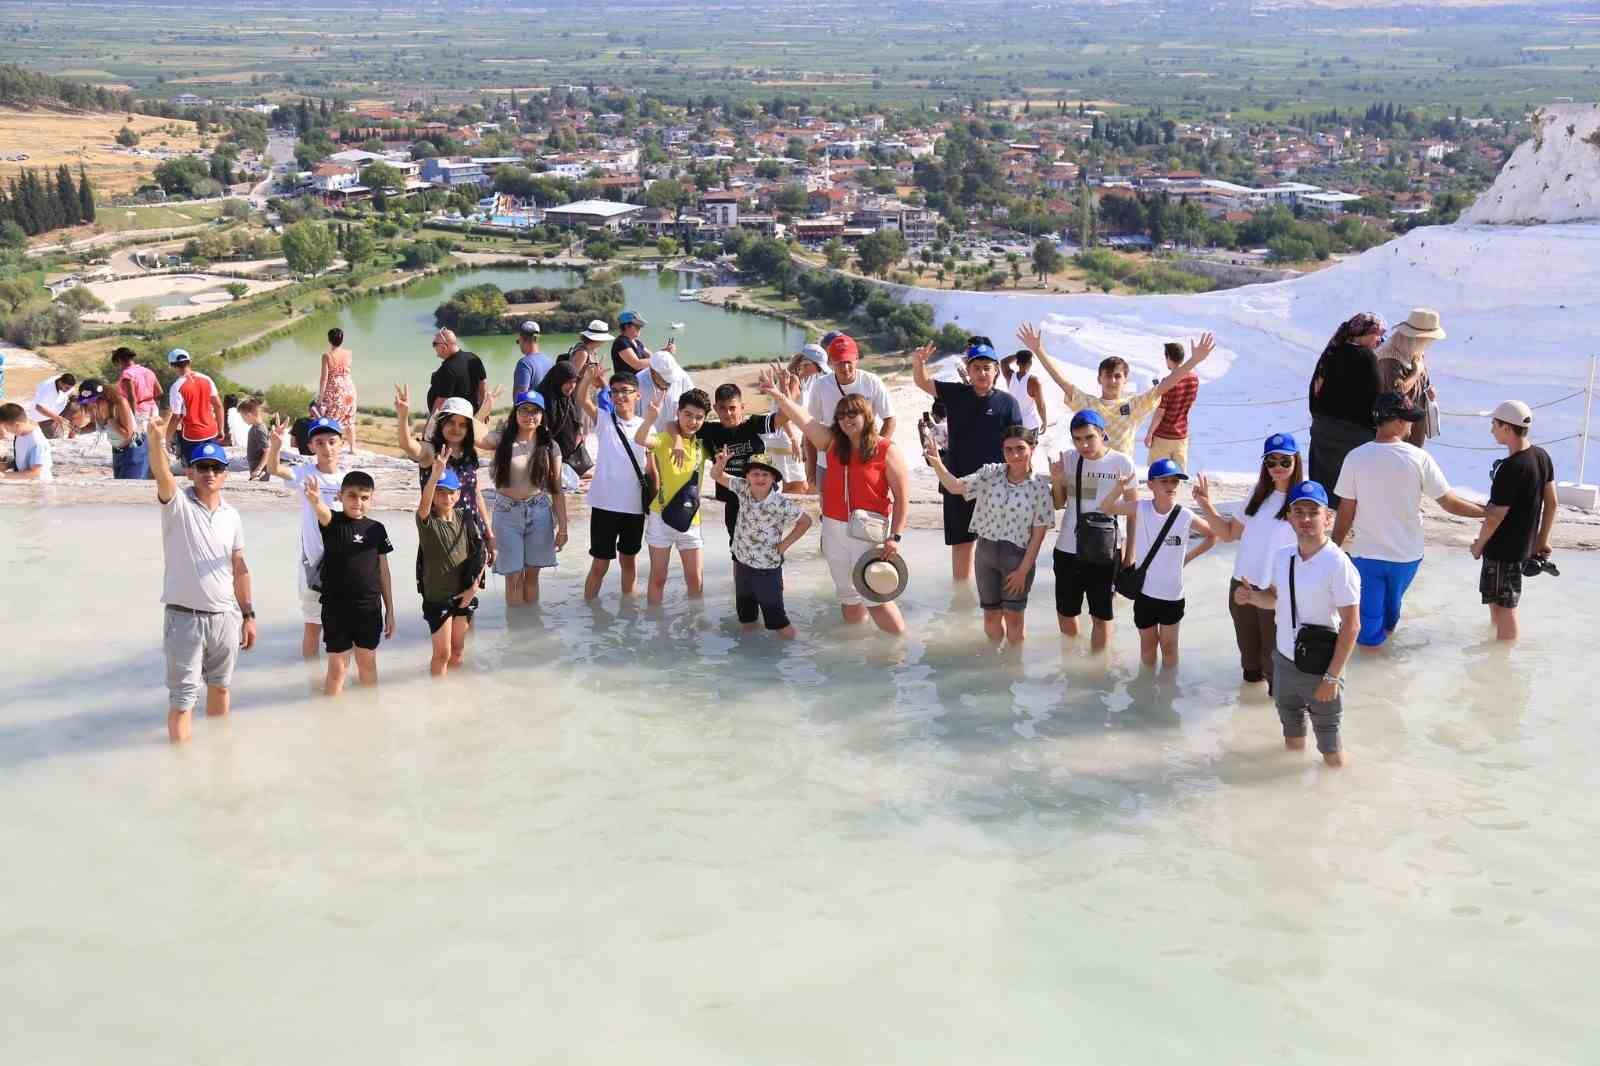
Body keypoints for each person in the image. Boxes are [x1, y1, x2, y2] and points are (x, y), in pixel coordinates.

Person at [1332, 392, 1485, 650]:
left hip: (1366, 556)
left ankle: (1371, 672)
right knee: (1391, 617)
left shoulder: (1355, 457)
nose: (1412, 425)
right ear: (1398, 422)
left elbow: (1346, 510)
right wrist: (1487, 511)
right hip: (1407, 557)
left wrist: (1334, 546)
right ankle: (1384, 671)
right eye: (1409, 419)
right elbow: (1449, 503)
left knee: (1369, 625)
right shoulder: (1419, 458)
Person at [763, 379, 909, 636]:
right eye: (841, 415)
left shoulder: (886, 449)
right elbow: (805, 421)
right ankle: (855, 651)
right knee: (848, 597)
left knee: (876, 597)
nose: (846, 419)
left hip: (869, 530)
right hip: (833, 528)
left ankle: (898, 651)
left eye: (853, 413)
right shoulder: (832, 443)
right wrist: (781, 397)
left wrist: (895, 536)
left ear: (867, 415)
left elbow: (902, 497)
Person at [145, 413, 256, 743]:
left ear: (225, 474)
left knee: (221, 689)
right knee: (182, 701)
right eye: (202, 467)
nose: (209, 473)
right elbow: (162, 473)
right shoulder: (176, 505)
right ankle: (183, 772)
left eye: (216, 468)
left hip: (225, 618)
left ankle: (218, 761)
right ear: (190, 471)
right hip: (184, 619)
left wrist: (248, 615)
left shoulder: (232, 515)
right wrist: (155, 440)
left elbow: (239, 566)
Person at [1233, 481, 1360, 768]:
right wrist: (1251, 597)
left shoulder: (1339, 564)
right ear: (1289, 517)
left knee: (1331, 752)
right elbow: (1275, 599)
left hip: (1320, 669)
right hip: (1284, 662)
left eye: (1312, 512)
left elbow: (1352, 626)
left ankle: (1337, 802)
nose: (1304, 519)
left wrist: (1332, 677)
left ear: (1327, 518)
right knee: (1292, 740)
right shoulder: (1284, 556)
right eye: (1298, 511)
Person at [924, 424, 1054, 643]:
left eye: (1020, 448)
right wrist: (937, 463)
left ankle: (1014, 667)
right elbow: (956, 486)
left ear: (1032, 448)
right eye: (1008, 449)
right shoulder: (990, 473)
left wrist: (1023, 570)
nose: (1014, 455)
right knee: (991, 617)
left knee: (1014, 619)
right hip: (985, 554)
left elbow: (1038, 535)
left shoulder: (1040, 485)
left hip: (1018, 557)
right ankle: (995, 663)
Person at [1192, 433, 1301, 689]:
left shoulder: (1302, 500)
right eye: (1271, 462)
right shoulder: (1258, 493)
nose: (1278, 468)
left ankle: (1279, 727)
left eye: (1285, 461)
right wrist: (1206, 505)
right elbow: (1229, 533)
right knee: (1250, 669)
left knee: (1278, 672)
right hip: (1241, 586)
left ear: (1296, 461)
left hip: (1276, 592)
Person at [911, 337, 1023, 582]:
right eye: (976, 367)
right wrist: (919, 363)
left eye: (987, 367)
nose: (982, 372)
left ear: (995, 370)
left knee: (995, 544)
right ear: (968, 371)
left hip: (995, 485)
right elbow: (922, 382)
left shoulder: (1008, 403)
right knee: (962, 544)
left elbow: (1019, 447)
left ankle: (992, 594)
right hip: (956, 480)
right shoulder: (955, 393)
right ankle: (962, 601)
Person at [1017, 322, 1216, 457]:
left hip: (1121, 479)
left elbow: (1166, 385)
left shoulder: (1134, 405)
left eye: (1117, 376)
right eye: (1108, 375)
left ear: (1125, 379)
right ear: (1099, 378)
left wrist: (1195, 360)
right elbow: (1061, 381)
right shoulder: (1088, 404)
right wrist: (1038, 350)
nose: (1112, 380)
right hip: (1092, 473)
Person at [1101, 459, 1216, 668]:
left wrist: (1187, 558)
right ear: (1151, 484)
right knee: (1147, 646)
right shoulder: (1141, 508)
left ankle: (1167, 693)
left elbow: (1212, 535)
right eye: (1164, 481)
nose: (1170, 486)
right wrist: (1118, 488)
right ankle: (1146, 693)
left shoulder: (1185, 515)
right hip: (1145, 594)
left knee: (1170, 648)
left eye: (1174, 481)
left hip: (1173, 595)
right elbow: (1107, 508)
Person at [1047, 410, 1135, 650]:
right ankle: (1073, 664)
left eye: (1089, 437)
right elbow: (1057, 503)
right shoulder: (1068, 459)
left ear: (1103, 434)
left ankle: (1098, 675)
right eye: (1077, 439)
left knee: (1102, 615)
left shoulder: (1122, 462)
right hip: (1068, 547)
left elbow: (1133, 510)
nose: (1083, 444)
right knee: (1066, 613)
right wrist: (1056, 480)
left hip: (1106, 551)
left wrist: (1130, 554)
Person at [1472, 400, 1558, 642]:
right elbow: (1552, 503)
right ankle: (1495, 649)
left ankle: (1502, 665)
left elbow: (1495, 516)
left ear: (1507, 428)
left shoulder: (1510, 468)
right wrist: (1542, 541)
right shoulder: (1542, 456)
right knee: (1499, 604)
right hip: (1522, 547)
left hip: (1502, 550)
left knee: (1504, 609)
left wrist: (1478, 545)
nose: (1492, 430)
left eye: (1494, 425)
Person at [302, 470, 394, 696]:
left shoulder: (377, 529)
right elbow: (323, 513)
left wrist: (390, 609)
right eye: (352, 496)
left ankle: (370, 716)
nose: (358, 502)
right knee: (337, 668)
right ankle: (332, 724)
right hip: (336, 609)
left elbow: (384, 572)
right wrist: (315, 500)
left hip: (369, 609)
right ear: (340, 496)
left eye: (364, 497)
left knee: (368, 664)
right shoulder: (333, 522)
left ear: (372, 499)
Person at [265, 414, 346, 658]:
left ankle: (340, 682)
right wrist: (276, 446)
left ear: (341, 443)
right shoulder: (304, 474)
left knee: (344, 627)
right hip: (313, 565)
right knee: (313, 627)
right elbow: (274, 469)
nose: (327, 448)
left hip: (345, 565)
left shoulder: (348, 480)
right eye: (320, 443)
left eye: (332, 441)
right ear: (311, 446)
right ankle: (312, 685)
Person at [708, 448, 812, 639]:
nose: (760, 478)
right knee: (746, 618)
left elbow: (806, 521)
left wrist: (784, 545)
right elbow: (715, 475)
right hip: (742, 564)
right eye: (755, 474)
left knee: (779, 622)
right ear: (747, 476)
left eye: (765, 474)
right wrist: (721, 462)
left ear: (773, 478)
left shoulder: (781, 503)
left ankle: (799, 645)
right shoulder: (742, 488)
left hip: (767, 569)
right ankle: (750, 655)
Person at [483, 390, 567, 607]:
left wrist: (563, 528)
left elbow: (557, 490)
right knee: (513, 578)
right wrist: (485, 407)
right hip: (507, 514)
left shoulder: (550, 446)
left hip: (539, 512)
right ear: (515, 413)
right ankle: (515, 631)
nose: (530, 415)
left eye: (535, 411)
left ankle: (529, 629)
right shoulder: (502, 440)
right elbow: (474, 436)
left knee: (531, 576)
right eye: (524, 410)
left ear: (542, 415)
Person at [394, 387, 493, 558]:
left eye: (462, 424)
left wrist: (489, 534)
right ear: (441, 423)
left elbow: (476, 495)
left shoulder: (469, 454)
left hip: (472, 531)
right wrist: (403, 416)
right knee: (443, 584)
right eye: (451, 422)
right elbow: (407, 445)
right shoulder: (430, 451)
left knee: (472, 584)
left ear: (469, 429)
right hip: (440, 532)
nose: (456, 428)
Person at [635, 387, 710, 604]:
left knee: (696, 580)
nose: (693, 421)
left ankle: (694, 629)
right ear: (678, 412)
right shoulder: (666, 438)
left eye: (699, 417)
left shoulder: (703, 443)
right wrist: (650, 419)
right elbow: (641, 439)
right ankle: (658, 631)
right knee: (658, 578)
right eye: (688, 415)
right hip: (661, 518)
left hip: (691, 520)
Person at [578, 369, 649, 600]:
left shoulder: (646, 426)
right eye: (615, 391)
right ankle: (589, 610)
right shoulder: (605, 420)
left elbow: (653, 468)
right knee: (600, 564)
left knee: (629, 561)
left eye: (625, 392)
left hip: (633, 507)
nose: (619, 396)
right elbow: (582, 400)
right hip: (604, 505)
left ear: (637, 395)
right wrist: (589, 378)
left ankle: (629, 610)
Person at [416, 456, 487, 678]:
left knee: (457, 652)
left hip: (464, 594)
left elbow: (480, 553)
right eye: (440, 492)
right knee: (442, 654)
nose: (446, 497)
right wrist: (435, 475)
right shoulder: (427, 522)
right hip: (438, 597)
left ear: (458, 495)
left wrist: (473, 589)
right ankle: (437, 701)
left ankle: (454, 698)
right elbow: (424, 506)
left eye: (450, 492)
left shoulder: (465, 517)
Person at [803, 333, 896, 494]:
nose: (845, 368)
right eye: (839, 363)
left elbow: (889, 418)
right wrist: (811, 467)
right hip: (828, 460)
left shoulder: (871, 381)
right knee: (829, 509)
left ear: (856, 359)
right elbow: (811, 428)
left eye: (848, 362)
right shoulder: (821, 386)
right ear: (831, 363)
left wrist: (876, 453)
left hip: (864, 457)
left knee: (864, 506)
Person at [1308, 312, 1385, 506]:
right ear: (1364, 333)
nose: (1380, 339)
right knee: (1349, 493)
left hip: (1323, 430)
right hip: (1354, 435)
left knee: (1324, 488)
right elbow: (1376, 397)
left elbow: (1314, 390)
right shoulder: (1366, 357)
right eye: (1377, 334)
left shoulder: (1332, 351)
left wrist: (1320, 420)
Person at [697, 381, 786, 542]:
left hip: (760, 499)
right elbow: (677, 425)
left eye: (732, 408)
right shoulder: (710, 431)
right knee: (736, 548)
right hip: (732, 500)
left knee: (766, 546)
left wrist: (780, 394)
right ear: (715, 408)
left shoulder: (754, 424)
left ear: (742, 407)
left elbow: (784, 418)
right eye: (723, 408)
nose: (728, 413)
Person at [1376, 309, 1446, 450]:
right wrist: (1416, 373)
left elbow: (1419, 382)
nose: (1430, 343)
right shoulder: (1390, 358)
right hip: (1396, 436)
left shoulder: (1413, 351)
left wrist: (1428, 392)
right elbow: (1395, 393)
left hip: (1411, 431)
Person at [77, 378, 146, 480]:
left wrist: (112, 422)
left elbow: (128, 434)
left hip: (133, 450)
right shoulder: (95, 407)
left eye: (94, 400)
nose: (91, 404)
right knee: (119, 487)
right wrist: (79, 430)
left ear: (105, 395)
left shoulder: (119, 403)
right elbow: (94, 425)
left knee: (128, 488)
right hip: (117, 451)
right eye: (88, 401)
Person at [1145, 342, 1200, 469]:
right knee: (1177, 475)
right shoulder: (1194, 379)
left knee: (1158, 475)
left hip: (1163, 435)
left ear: (1168, 357)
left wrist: (1149, 433)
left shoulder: (1167, 382)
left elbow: (1160, 412)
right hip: (1181, 435)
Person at [166, 348, 224, 464]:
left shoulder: (176, 387)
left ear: (172, 366)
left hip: (192, 435)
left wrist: (167, 439)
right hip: (211, 431)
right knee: (212, 464)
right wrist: (221, 429)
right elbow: (218, 405)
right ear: (189, 362)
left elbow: (176, 417)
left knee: (193, 467)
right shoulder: (206, 379)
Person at [537, 360, 592, 478]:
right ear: (558, 381)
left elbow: (574, 418)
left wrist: (579, 431)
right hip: (547, 450)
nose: (572, 386)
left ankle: (572, 468)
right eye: (567, 382)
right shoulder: (541, 397)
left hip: (568, 449)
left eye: (574, 382)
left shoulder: (567, 395)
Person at [425, 328, 488, 418]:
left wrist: (429, 426)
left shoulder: (447, 369)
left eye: (434, 344)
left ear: (444, 347)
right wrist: (484, 411)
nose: (433, 347)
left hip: (452, 422)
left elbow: (441, 402)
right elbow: (483, 386)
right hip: (471, 417)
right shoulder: (473, 358)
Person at [317, 327, 358, 450]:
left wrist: (320, 396)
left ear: (329, 340)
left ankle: (334, 448)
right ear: (342, 340)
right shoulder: (349, 353)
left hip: (334, 391)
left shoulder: (327, 355)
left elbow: (324, 378)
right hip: (349, 389)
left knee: (331, 421)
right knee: (349, 419)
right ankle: (353, 447)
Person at [636, 345, 693, 432]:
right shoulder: (638, 383)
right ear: (652, 372)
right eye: (665, 380)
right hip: (648, 439)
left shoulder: (681, 375)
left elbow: (693, 401)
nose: (669, 383)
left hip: (675, 434)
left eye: (671, 380)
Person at [0, 402, 53, 481]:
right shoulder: (19, 435)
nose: (6, 431)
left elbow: (35, 473)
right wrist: (7, 465)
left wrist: (3, 475)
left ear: (17, 425)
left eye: (6, 428)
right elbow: (23, 459)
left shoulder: (37, 442)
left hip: (39, 487)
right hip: (25, 482)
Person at [112, 347, 161, 431]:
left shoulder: (127, 375)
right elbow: (159, 392)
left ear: (120, 360)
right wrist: (151, 404)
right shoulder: (147, 371)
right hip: (153, 410)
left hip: (139, 413)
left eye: (117, 363)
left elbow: (132, 398)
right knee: (153, 439)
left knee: (141, 441)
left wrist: (133, 418)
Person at [1000, 348, 1047, 434]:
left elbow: (1003, 362)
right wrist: (1044, 421)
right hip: (1029, 425)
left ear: (1017, 363)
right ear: (1030, 363)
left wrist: (1018, 356)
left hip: (1014, 424)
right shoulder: (1034, 381)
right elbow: (1041, 405)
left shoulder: (1010, 376)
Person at [511, 320, 553, 397]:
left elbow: (520, 397)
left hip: (533, 408)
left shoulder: (524, 364)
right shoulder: (549, 361)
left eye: (518, 341)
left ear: (522, 339)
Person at [30, 372, 77, 439]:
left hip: (57, 408)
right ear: (60, 383)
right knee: (57, 439)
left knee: (77, 407)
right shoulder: (47, 390)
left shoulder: (64, 382)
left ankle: (72, 436)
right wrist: (57, 418)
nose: (68, 390)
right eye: (67, 388)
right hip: (43, 416)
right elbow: (39, 407)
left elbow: (72, 392)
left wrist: (76, 399)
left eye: (70, 388)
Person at [611, 309, 651, 375]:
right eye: (637, 325)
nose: (639, 328)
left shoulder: (637, 342)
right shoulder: (621, 342)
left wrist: (665, 352)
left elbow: (651, 356)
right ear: (626, 326)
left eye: (640, 326)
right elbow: (637, 364)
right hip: (626, 383)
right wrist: (657, 360)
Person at [239, 397, 270, 480]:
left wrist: (258, 469)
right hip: (256, 466)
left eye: (242, 417)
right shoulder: (258, 427)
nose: (243, 420)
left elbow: (267, 451)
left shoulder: (258, 430)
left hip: (259, 469)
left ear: (248, 415)